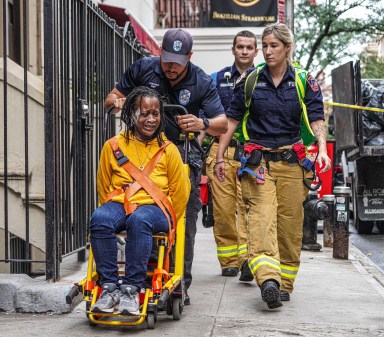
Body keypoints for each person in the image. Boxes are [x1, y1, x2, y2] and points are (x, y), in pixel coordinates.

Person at [104, 28, 228, 305]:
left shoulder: (202, 81)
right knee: (140, 215)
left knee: (184, 221)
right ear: (160, 51)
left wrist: (201, 123)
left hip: (182, 155)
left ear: (189, 57)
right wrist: (119, 103)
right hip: (143, 156)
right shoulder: (143, 68)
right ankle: (145, 280)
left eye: (178, 62)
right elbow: (110, 100)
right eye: (167, 59)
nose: (171, 68)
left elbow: (222, 122)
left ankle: (180, 283)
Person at [214, 23, 331, 310]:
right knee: (261, 222)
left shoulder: (304, 81)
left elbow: (317, 117)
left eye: (273, 46)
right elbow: (231, 120)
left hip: (292, 164)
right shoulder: (251, 80)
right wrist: (219, 155)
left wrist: (323, 150)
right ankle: (268, 279)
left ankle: (285, 283)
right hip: (259, 165)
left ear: (287, 48)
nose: (267, 51)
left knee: (289, 228)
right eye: (264, 45)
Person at [90, 86, 190, 314]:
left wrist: (170, 220)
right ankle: (109, 287)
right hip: (120, 205)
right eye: (144, 113)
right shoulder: (113, 146)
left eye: (155, 114)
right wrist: (116, 207)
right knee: (100, 217)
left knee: (140, 219)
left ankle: (131, 289)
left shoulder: (169, 150)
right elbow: (104, 186)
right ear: (131, 114)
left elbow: (181, 193)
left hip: (155, 211)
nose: (151, 119)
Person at [205, 30, 258, 280]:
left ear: (255, 51)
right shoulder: (217, 79)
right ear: (233, 49)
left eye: (249, 47)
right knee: (224, 210)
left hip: (252, 153)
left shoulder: (264, 79)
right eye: (240, 47)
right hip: (221, 151)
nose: (245, 51)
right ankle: (229, 261)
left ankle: (248, 259)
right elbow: (206, 113)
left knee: (249, 208)